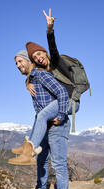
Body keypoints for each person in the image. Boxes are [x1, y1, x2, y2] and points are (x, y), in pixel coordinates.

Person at [9, 8, 80, 165]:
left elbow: (53, 48)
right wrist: (27, 84)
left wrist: (49, 29)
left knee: (41, 115)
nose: (39, 58)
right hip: (62, 100)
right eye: (35, 57)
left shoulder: (56, 62)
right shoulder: (41, 71)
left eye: (40, 54)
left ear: (45, 52)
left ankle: (30, 152)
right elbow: (31, 74)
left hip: (70, 101)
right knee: (39, 115)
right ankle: (27, 147)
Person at [12, 49, 71, 189]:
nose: (18, 65)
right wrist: (27, 82)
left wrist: (60, 116)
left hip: (57, 124)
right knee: (42, 158)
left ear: (29, 60)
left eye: (20, 61)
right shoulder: (31, 78)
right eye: (16, 63)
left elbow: (62, 93)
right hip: (44, 125)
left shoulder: (42, 75)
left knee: (59, 164)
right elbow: (30, 79)